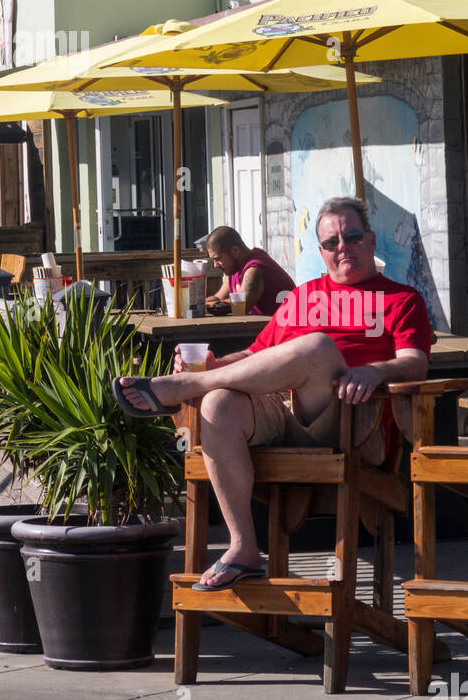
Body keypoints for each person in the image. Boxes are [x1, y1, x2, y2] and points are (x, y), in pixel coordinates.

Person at [113, 197, 431, 590]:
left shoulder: (401, 299)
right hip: (285, 411)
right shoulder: (303, 296)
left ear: (370, 240)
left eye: (351, 237)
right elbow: (253, 355)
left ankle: (183, 388)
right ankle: (244, 547)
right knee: (218, 403)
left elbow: (415, 362)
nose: (342, 247)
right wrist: (216, 366)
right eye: (331, 243)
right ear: (321, 252)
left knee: (316, 347)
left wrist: (374, 370)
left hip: (354, 423)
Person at [204, 225, 295, 316]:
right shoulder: (234, 268)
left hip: (290, 328)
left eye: (217, 259)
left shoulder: (254, 269)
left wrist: (208, 306)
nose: (215, 265)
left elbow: (241, 305)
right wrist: (199, 305)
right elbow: (218, 297)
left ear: (235, 251)